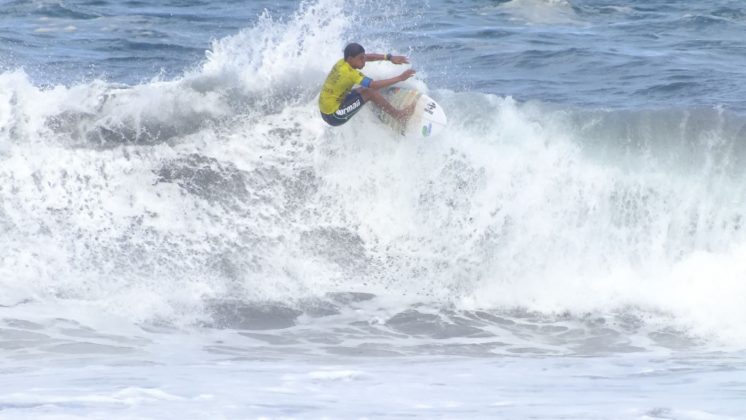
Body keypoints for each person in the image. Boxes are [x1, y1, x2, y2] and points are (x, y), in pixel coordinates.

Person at [319, 42, 416, 127]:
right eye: (360, 59)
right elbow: (374, 85)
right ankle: (400, 117)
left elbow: (367, 57)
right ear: (350, 59)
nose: (364, 61)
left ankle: (378, 103)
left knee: (364, 90)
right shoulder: (350, 73)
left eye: (363, 57)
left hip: (327, 108)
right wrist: (400, 78)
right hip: (334, 116)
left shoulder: (342, 62)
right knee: (370, 92)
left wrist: (389, 57)